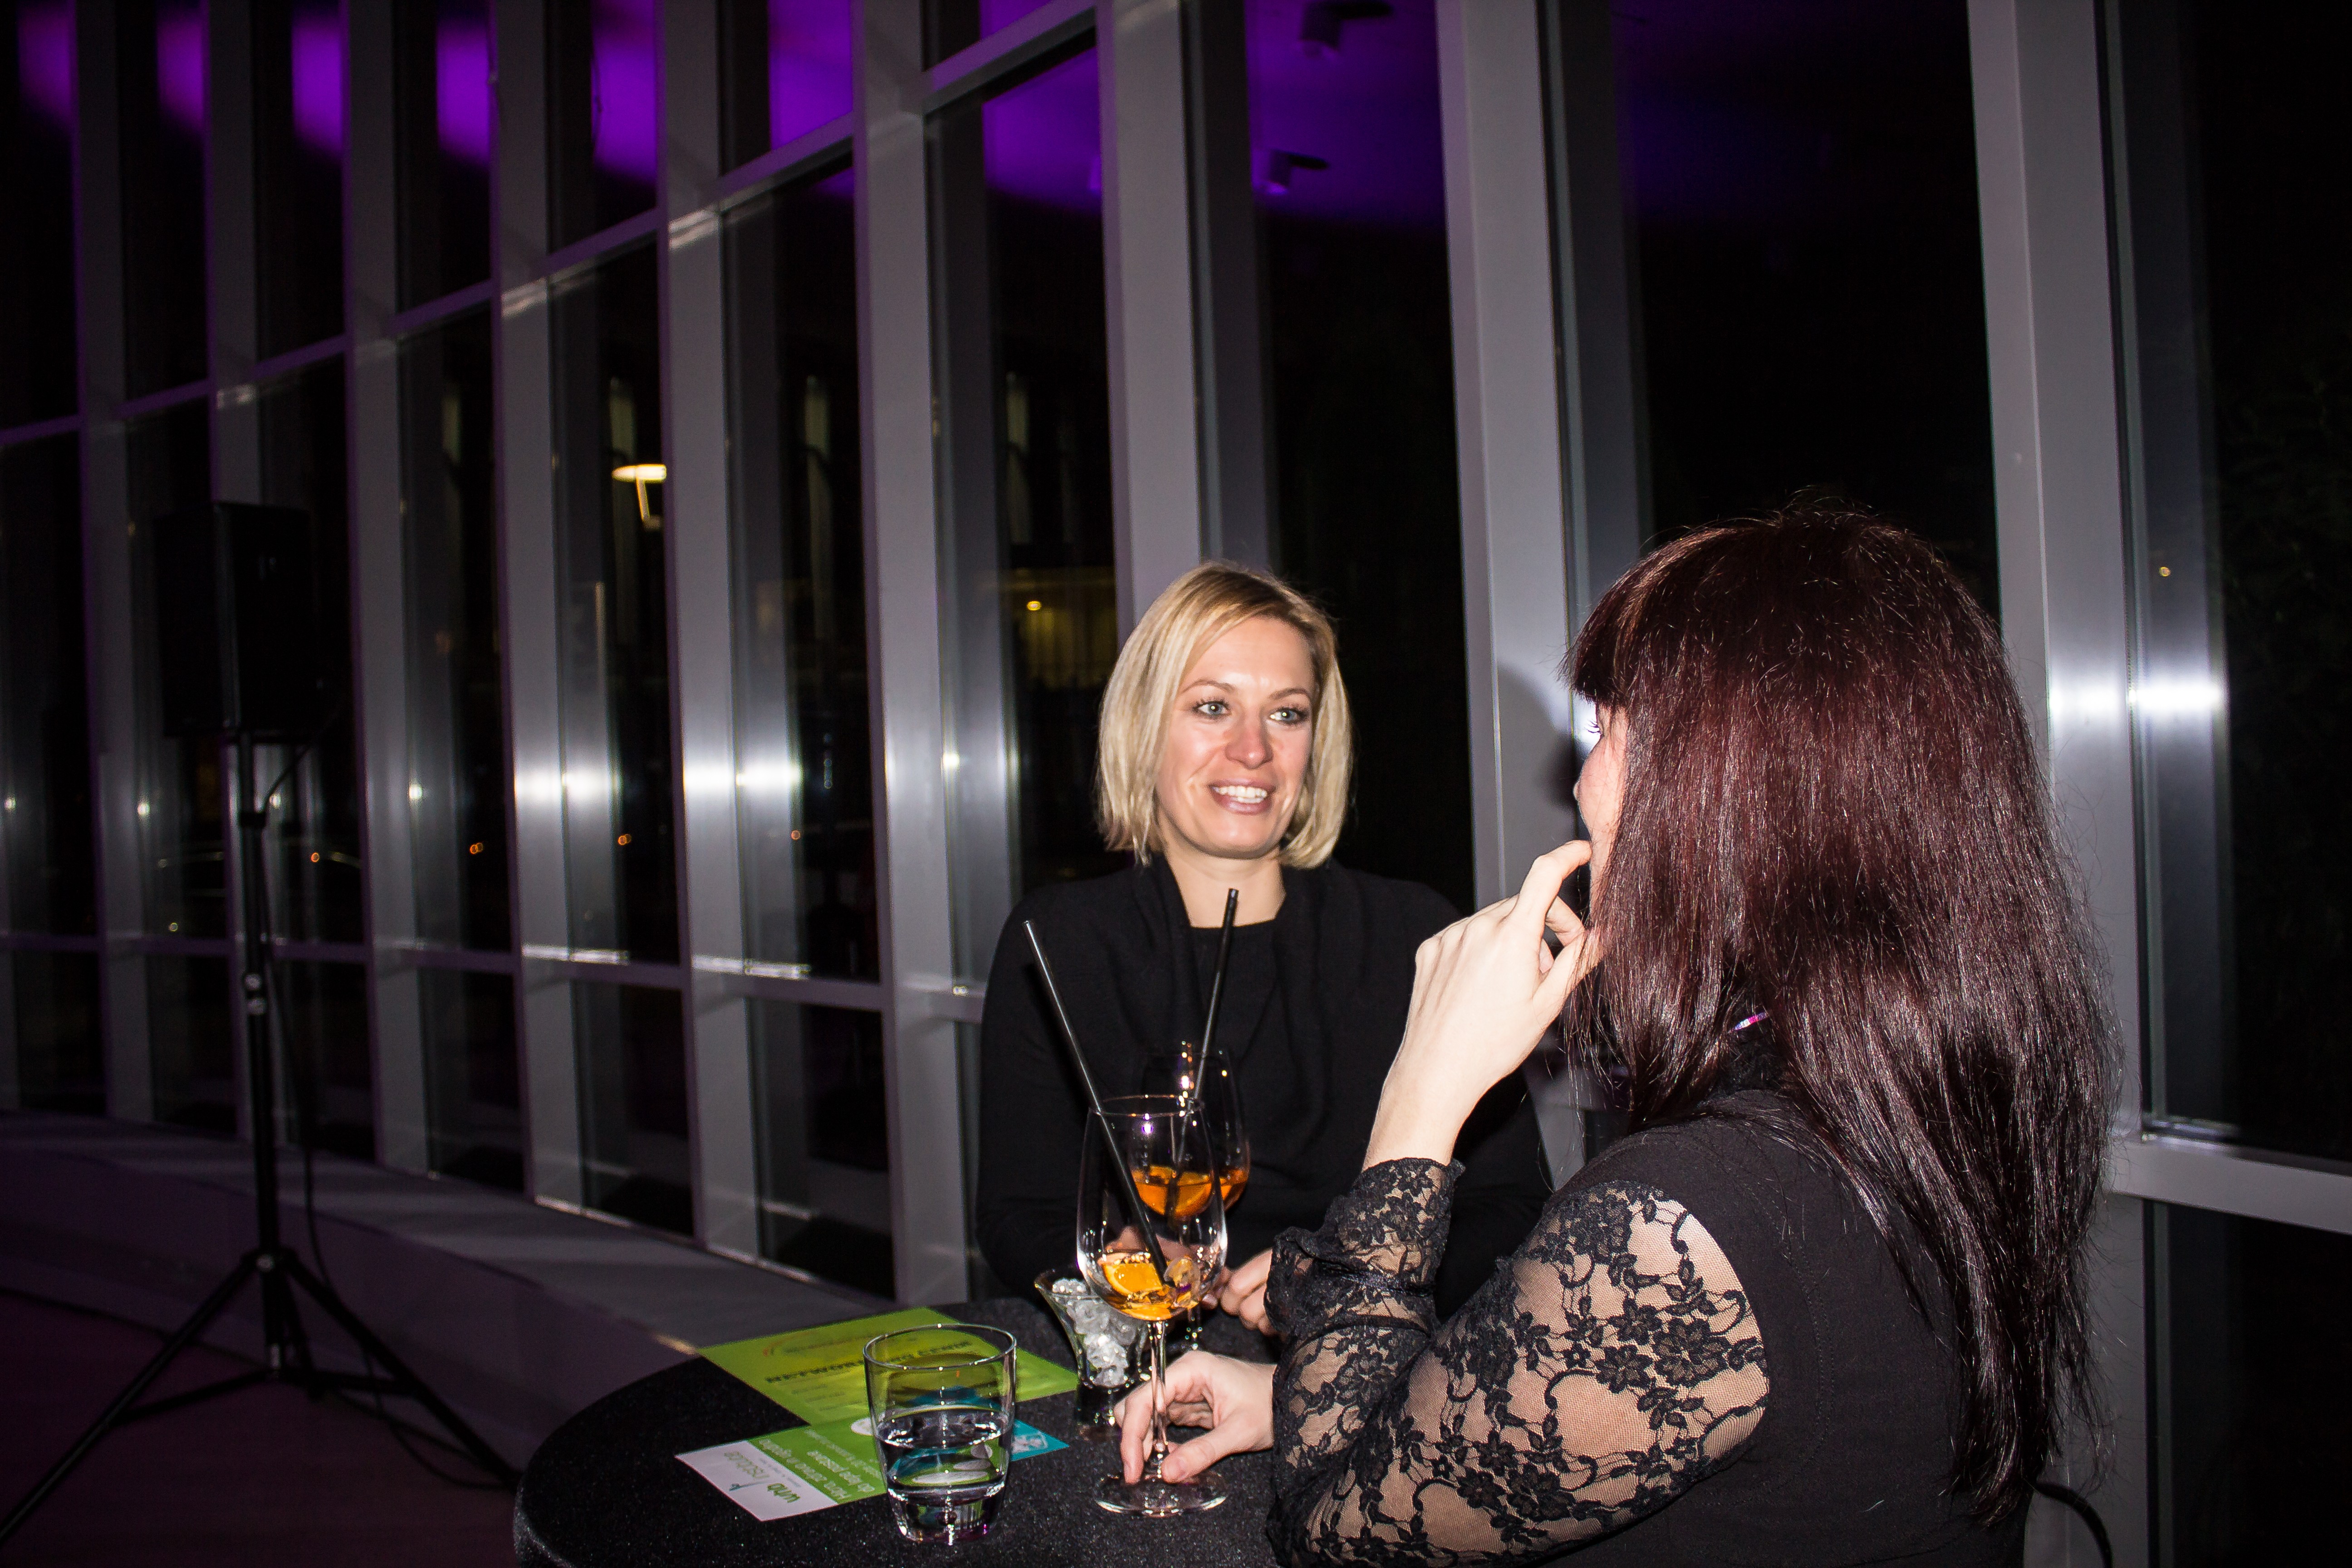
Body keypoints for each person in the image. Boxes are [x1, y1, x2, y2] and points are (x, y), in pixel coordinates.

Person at [1117, 507, 2112, 1564]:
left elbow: (1332, 1534)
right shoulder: (1915, 1109)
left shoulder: (1692, 1218)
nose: (1581, 782)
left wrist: (1420, 1103)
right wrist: (1302, 1396)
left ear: (1727, 789)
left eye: (1607, 730)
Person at [975, 562, 1551, 1326]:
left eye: (1286, 714)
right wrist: (1116, 1263)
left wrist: (1349, 1287)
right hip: (1155, 1358)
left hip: (1373, 1364)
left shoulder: (1413, 936)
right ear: (1145, 727)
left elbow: (1512, 1208)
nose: (1253, 749)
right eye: (1213, 707)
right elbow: (1018, 1216)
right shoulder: (1059, 943)